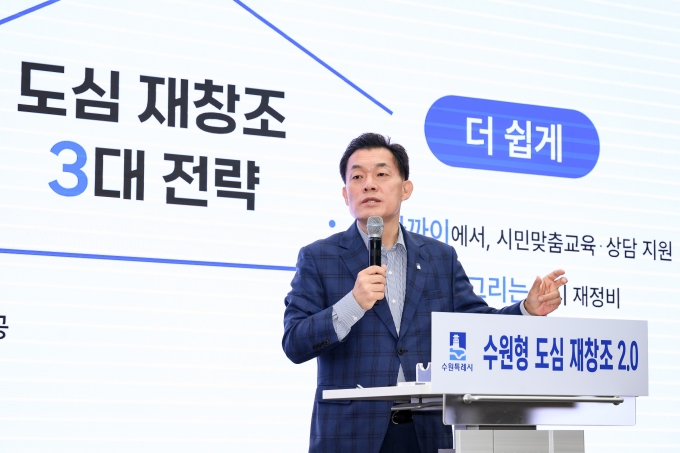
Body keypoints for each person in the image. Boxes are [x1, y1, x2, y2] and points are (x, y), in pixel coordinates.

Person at [282, 133, 567, 453]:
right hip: (351, 434)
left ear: (406, 189)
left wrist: (527, 309)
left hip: (427, 432)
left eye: (381, 174)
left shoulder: (440, 258)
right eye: (357, 177)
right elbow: (294, 342)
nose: (369, 185)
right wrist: (352, 304)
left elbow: (476, 324)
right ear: (345, 194)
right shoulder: (319, 257)